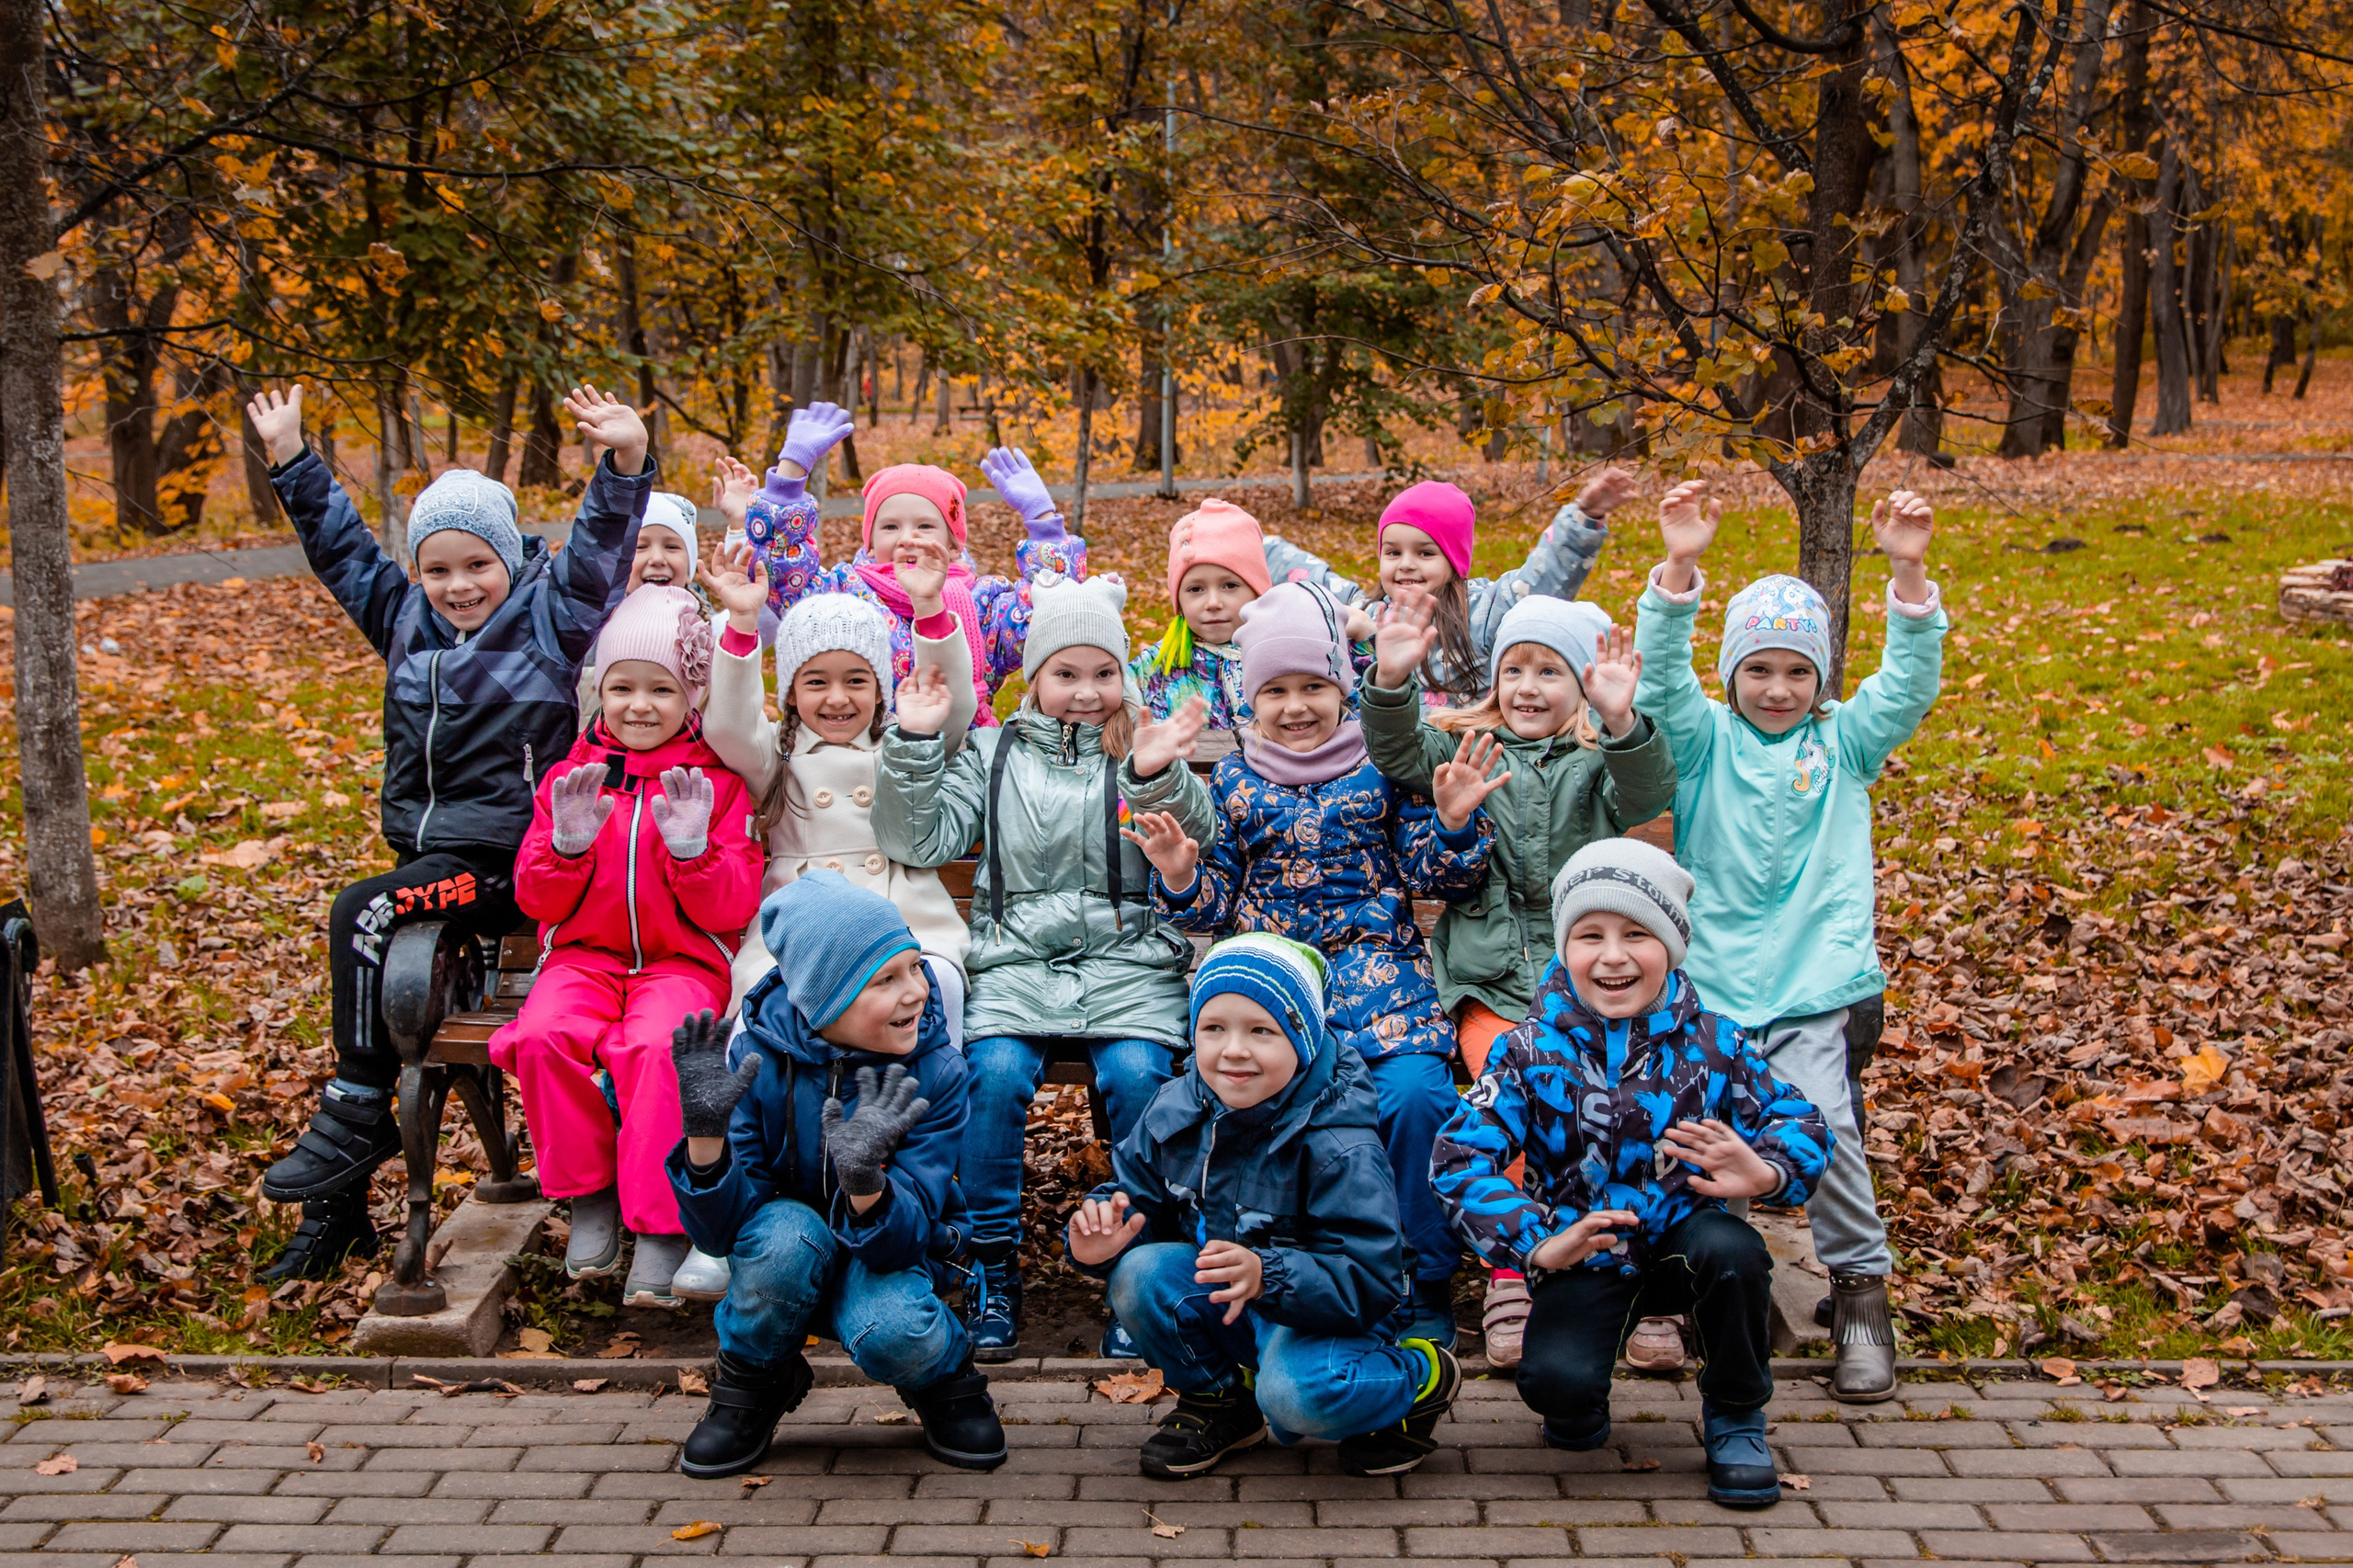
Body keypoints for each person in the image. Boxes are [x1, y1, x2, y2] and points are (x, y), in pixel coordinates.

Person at [240, 381, 655, 1281]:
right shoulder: (404, 622)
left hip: (513, 870)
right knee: (380, 948)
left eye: (477, 565)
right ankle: (340, 1198)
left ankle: (356, 1109)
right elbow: (340, 550)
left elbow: (596, 551)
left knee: (361, 912)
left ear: (508, 561)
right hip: (432, 866)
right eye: (439, 568)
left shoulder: (551, 620)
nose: (459, 585)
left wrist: (624, 461)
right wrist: (289, 458)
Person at [1631, 480, 1947, 1403]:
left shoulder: (1844, 742)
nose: (1777, 688)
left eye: (1797, 671)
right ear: (1731, 673)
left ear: (1820, 680)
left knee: (1830, 1136)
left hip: (1813, 983)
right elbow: (1657, 679)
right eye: (1759, 668)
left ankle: (1858, 1292)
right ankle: (1719, 1288)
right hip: (1716, 986)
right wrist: (1679, 568)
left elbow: (1909, 683)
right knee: (1698, 1139)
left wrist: (1908, 569)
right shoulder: (1701, 742)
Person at [1122, 580, 1496, 1348]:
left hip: (1381, 977)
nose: (1297, 707)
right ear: (1250, 702)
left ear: (1343, 687)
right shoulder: (1232, 780)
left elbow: (1438, 877)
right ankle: (1273, 1267)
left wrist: (1454, 824)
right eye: (1277, 691)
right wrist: (1182, 874)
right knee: (1254, 1104)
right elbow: (1213, 908)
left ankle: (1417, 1276)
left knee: (1416, 1095)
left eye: (1315, 687)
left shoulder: (1385, 769)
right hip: (1271, 990)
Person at [873, 572, 1222, 1360]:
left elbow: (1199, 837)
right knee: (991, 1076)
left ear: (1124, 676)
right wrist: (918, 745)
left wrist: (1158, 772)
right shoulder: (993, 755)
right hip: (1017, 963)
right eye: (1066, 673)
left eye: (1104, 673)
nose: (1087, 692)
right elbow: (916, 841)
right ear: (1036, 678)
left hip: (1129, 963)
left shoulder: (1140, 746)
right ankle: (992, 1263)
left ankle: (1141, 1268)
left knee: (1140, 1078)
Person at [1430, 838, 1830, 1508]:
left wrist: (1764, 1172)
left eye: (1637, 934)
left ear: (1671, 946)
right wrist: (1535, 1242)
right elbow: (1457, 1158)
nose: (1612, 956)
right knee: (1554, 1388)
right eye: (1590, 935)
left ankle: (1735, 1414)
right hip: (1583, 1250)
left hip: (1685, 1238)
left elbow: (1803, 1121)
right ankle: (1576, 1397)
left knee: (1736, 1254)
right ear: (1564, 948)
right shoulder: (1527, 1051)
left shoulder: (1717, 1044)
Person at [1359, 594, 1678, 1368]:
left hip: (1591, 984)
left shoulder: (1594, 764)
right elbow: (1398, 752)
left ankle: (1637, 1278)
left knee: (1627, 1098)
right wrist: (1393, 681)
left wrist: (1622, 724)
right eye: (1514, 670)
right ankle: (1514, 1269)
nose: (1529, 687)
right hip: (1491, 983)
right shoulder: (1471, 748)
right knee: (1513, 1088)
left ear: (1579, 686)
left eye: (1550, 671)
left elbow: (1649, 796)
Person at [1069, 935, 1461, 1479]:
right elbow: (1134, 1198)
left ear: (1302, 1039)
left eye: (1261, 1031)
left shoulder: (1338, 1143)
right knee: (1139, 1274)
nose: (1233, 1050)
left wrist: (1265, 1274)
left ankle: (1418, 1377)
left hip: (1329, 1312)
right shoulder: (1179, 1105)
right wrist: (1099, 1238)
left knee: (1296, 1396)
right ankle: (1221, 1404)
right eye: (1214, 1029)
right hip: (1235, 1296)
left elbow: (1371, 1280)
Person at [666, 872, 1006, 1476]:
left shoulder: (938, 1073)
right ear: (824, 998)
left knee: (894, 1328)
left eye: (916, 968)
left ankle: (944, 1377)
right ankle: (753, 1379)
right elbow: (725, 1239)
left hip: (888, 1255)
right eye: (886, 980)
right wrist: (705, 1141)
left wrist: (866, 1182)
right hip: (787, 1255)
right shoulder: (755, 1062)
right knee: (781, 1237)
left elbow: (914, 1228)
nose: (918, 992)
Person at [489, 584, 764, 1306]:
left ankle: (662, 1222)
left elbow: (732, 904)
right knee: (545, 1034)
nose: (639, 705)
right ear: (599, 694)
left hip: (682, 963)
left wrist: (694, 850)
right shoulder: (571, 780)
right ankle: (590, 1197)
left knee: (658, 1048)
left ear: (690, 699)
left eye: (660, 690)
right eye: (622, 688)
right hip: (584, 956)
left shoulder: (715, 785)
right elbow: (536, 898)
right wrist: (567, 847)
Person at [720, 405, 1084, 720]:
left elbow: (1054, 611)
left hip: (959, 766)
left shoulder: (983, 604)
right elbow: (781, 564)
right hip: (862, 758)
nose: (907, 537)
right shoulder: (841, 594)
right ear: (871, 540)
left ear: (954, 544)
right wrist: (790, 471)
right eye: (890, 526)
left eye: (926, 526)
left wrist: (1045, 522)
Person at [1262, 468, 1634, 705]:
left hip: (1467, 767)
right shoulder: (1366, 613)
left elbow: (1542, 580)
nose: (1406, 563)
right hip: (1385, 771)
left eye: (1425, 553)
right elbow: (1305, 575)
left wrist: (1583, 516)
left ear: (1454, 562)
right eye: (1393, 552)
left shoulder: (1487, 610)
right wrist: (1232, 534)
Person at [574, 490, 710, 724]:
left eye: (672, 547)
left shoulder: (706, 626)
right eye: (640, 547)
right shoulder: (592, 626)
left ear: (690, 569)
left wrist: (738, 528)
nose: (657, 558)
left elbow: (753, 625)